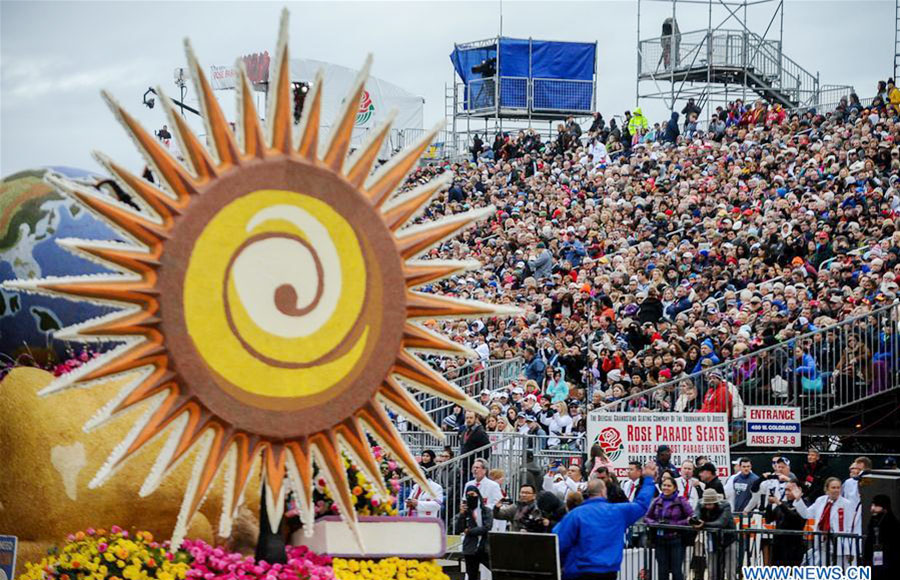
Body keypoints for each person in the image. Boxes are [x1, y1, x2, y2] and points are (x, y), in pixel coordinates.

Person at [555, 461, 658, 580]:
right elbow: (641, 504)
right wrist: (649, 479)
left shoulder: (575, 514)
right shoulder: (618, 511)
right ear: (604, 492)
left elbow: (559, 541)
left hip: (580, 570)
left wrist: (563, 565)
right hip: (608, 570)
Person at [788, 478, 855, 567]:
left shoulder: (847, 504)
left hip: (839, 544)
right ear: (827, 489)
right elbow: (806, 514)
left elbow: (850, 527)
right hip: (822, 543)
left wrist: (850, 549)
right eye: (833, 488)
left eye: (838, 488)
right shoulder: (820, 500)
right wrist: (798, 499)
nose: (836, 490)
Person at [644, 476, 693, 580]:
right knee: (662, 570)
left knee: (676, 571)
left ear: (675, 488)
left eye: (669, 486)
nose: (666, 488)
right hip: (660, 539)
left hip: (676, 539)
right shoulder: (657, 500)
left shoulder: (681, 501)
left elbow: (691, 518)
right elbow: (647, 517)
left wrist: (674, 524)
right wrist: (656, 523)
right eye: (664, 485)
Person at [693, 488, 736, 580]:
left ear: (715, 502)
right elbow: (696, 516)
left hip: (729, 538)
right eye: (706, 504)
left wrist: (704, 524)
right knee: (712, 570)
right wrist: (695, 520)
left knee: (730, 570)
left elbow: (721, 523)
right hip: (712, 539)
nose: (707, 506)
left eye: (710, 504)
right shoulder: (700, 504)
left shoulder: (726, 505)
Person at [457, 485, 493, 580]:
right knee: (471, 575)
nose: (470, 497)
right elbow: (458, 528)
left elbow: (487, 527)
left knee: (495, 570)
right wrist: (461, 514)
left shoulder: (486, 510)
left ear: (478, 494)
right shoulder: (466, 512)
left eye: (472, 494)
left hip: (484, 547)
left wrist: (470, 531)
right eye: (468, 495)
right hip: (470, 548)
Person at [864, 494, 899, 580]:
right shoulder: (874, 519)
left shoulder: (891, 522)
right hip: (874, 559)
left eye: (875, 505)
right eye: (872, 505)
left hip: (887, 561)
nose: (872, 508)